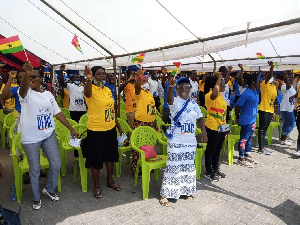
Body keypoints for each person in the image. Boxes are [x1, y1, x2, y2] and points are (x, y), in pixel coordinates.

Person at [18, 60, 78, 210]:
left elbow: (57, 113)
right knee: (35, 169)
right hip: (31, 138)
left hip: (48, 134)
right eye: (29, 76)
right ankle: (36, 197)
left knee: (56, 164)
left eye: (34, 77)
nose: (31, 79)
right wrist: (26, 73)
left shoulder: (48, 95)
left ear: (41, 79)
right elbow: (23, 89)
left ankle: (49, 189)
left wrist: (70, 128)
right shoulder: (25, 94)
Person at [158, 76, 207, 206]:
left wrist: (203, 132)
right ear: (178, 89)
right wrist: (171, 87)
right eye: (181, 87)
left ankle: (186, 190)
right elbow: (169, 99)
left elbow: (200, 118)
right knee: (173, 166)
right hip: (176, 140)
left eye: (186, 86)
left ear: (190, 89)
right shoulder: (175, 101)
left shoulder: (194, 104)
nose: (184, 88)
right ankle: (165, 194)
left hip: (190, 141)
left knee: (188, 166)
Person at [84, 65, 123, 198]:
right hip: (96, 130)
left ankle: (109, 181)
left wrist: (117, 125)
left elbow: (111, 110)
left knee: (110, 157)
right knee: (96, 159)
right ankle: (96, 186)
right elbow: (88, 94)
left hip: (110, 129)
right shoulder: (90, 88)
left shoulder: (107, 90)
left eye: (103, 74)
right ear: (93, 75)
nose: (102, 76)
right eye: (99, 74)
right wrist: (88, 80)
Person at [130, 68, 159, 176]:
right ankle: (136, 169)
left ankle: (147, 167)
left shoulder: (149, 93)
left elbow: (152, 110)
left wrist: (155, 125)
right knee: (139, 148)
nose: (145, 83)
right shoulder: (138, 92)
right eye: (143, 81)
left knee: (149, 146)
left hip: (151, 122)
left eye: (146, 81)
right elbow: (137, 88)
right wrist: (138, 78)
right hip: (141, 122)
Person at [204, 72, 228, 181]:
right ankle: (208, 171)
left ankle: (215, 168)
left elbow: (224, 113)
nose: (224, 85)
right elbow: (214, 94)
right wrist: (219, 78)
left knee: (218, 149)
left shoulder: (221, 96)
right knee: (211, 150)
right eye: (222, 83)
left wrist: (226, 127)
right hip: (212, 126)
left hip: (222, 126)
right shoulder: (210, 95)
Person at [235, 72, 259, 167]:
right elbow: (238, 105)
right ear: (253, 82)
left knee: (249, 138)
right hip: (246, 120)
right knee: (244, 139)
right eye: (257, 81)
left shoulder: (254, 92)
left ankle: (247, 154)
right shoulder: (246, 93)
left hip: (252, 119)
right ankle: (241, 158)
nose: (259, 82)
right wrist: (237, 117)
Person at [257, 61, 277, 155]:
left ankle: (262, 146)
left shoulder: (273, 86)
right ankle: (261, 148)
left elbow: (273, 100)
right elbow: (268, 77)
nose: (272, 77)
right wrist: (271, 68)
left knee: (265, 128)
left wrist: (273, 112)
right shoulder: (264, 84)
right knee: (262, 129)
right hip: (263, 109)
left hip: (270, 110)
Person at [280, 71, 296, 145]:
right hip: (286, 107)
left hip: (291, 107)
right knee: (292, 123)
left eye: (293, 78)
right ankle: (283, 138)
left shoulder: (292, 87)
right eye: (290, 78)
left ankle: (283, 139)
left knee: (286, 123)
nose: (292, 80)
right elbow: (288, 87)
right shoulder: (284, 86)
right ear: (286, 78)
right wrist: (286, 76)